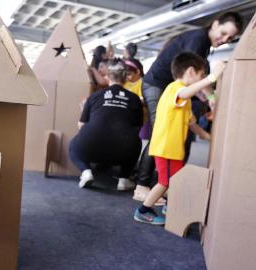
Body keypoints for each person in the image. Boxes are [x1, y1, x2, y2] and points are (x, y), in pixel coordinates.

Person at [134, 11, 243, 202]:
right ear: (215, 24)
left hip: (171, 87)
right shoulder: (199, 40)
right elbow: (194, 77)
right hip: (157, 84)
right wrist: (210, 90)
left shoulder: (204, 44)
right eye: (224, 33)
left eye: (230, 37)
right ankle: (142, 186)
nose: (225, 39)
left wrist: (209, 97)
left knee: (178, 133)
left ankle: (161, 184)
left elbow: (196, 79)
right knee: (161, 133)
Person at [133, 52, 225, 225]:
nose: (202, 79)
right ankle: (143, 210)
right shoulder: (174, 89)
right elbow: (185, 93)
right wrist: (212, 77)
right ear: (190, 72)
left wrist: (208, 136)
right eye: (201, 75)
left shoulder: (186, 100)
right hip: (166, 148)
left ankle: (171, 205)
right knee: (164, 182)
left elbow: (192, 124)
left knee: (175, 181)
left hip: (173, 150)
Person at [69, 59, 143, 190]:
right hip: (123, 151)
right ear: (126, 77)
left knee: (73, 146)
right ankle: (123, 179)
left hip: (91, 147)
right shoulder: (134, 98)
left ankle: (86, 172)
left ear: (107, 77)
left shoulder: (95, 96)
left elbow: (81, 125)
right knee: (136, 142)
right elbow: (137, 127)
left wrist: (86, 113)